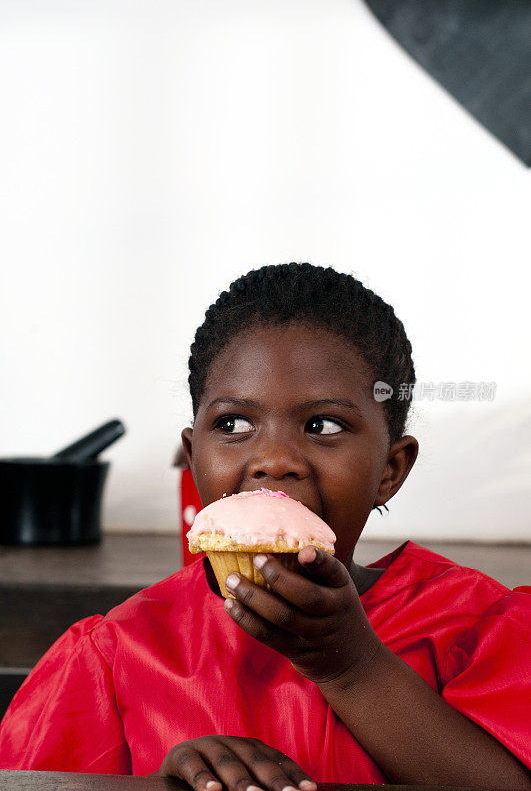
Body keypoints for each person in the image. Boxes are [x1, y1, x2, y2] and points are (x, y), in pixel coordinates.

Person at [0, 263, 529, 788]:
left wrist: (350, 665)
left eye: (324, 425)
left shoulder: (478, 629)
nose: (274, 459)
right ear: (193, 456)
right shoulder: (115, 657)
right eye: (233, 424)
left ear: (389, 471)